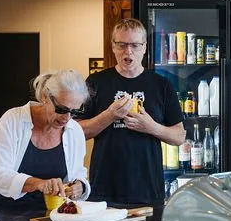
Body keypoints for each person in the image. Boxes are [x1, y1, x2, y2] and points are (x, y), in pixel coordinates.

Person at [77, 18, 185, 206]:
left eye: (135, 45)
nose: (128, 52)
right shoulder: (95, 82)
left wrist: (151, 127)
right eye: (122, 45)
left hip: (147, 188)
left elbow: (179, 137)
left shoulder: (162, 85)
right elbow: (76, 132)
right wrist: (109, 115)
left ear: (144, 48)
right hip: (104, 185)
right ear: (113, 46)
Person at [0, 69, 92, 212]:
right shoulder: (13, 120)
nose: (67, 118)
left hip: (49, 214)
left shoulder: (74, 130)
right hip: (2, 210)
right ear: (45, 97)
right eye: (61, 109)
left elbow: (78, 173)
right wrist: (38, 184)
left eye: (75, 111)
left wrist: (80, 186)